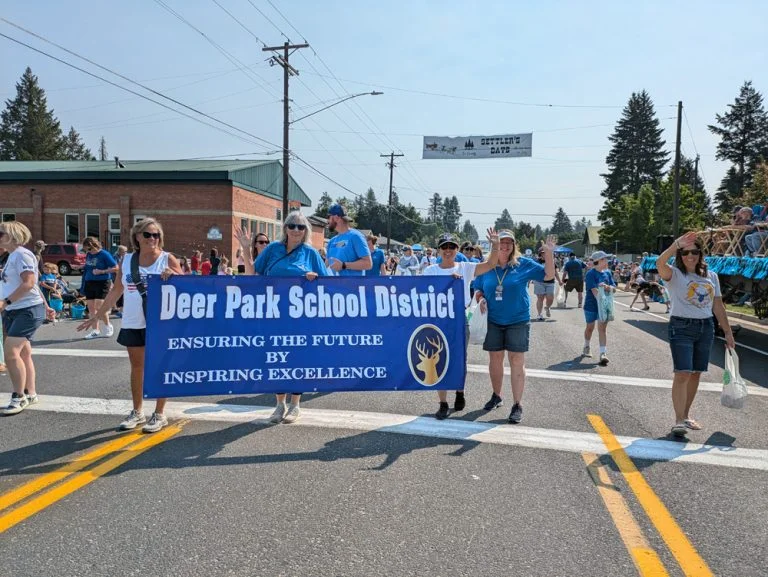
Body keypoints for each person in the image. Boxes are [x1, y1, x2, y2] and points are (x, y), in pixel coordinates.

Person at [78, 218, 182, 433]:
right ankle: (137, 411)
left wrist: (175, 276)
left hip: (161, 322)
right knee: (137, 367)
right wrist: (98, 315)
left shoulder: (167, 258)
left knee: (160, 366)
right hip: (133, 320)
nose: (152, 239)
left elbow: (189, 287)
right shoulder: (127, 260)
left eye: (156, 235)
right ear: (137, 236)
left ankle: (160, 413)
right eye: (148, 234)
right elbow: (117, 290)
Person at [236, 212, 328, 423]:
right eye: (292, 226)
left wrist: (315, 279)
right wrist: (245, 248)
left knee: (298, 358)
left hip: (300, 316)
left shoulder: (310, 253)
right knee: (276, 357)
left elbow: (328, 282)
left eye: (301, 227)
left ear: (306, 231)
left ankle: (295, 404)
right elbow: (253, 276)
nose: (296, 230)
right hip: (274, 314)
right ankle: (279, 404)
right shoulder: (272, 249)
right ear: (285, 228)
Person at [656, 232, 735, 436]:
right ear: (680, 255)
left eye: (695, 252)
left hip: (705, 327)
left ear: (701, 254)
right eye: (685, 252)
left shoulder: (712, 276)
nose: (690, 256)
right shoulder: (674, 274)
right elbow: (659, 262)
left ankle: (686, 415)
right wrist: (675, 245)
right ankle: (678, 420)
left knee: (695, 373)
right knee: (682, 372)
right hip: (681, 326)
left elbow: (718, 305)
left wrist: (727, 332)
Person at [474, 231, 557, 423]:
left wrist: (549, 254)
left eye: (508, 243)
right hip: (492, 319)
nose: (504, 246)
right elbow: (477, 286)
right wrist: (480, 297)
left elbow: (548, 275)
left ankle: (517, 404)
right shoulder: (486, 265)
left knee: (516, 360)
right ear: (495, 244)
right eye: (501, 243)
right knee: (495, 359)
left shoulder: (523, 264)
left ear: (514, 245)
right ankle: (497, 395)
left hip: (517, 320)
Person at [424, 231, 500, 420]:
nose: (448, 250)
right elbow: (420, 293)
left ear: (457, 249)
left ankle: (460, 391)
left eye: (451, 247)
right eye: (444, 247)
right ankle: (442, 402)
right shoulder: (430, 271)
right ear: (439, 250)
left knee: (459, 359)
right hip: (438, 320)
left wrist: (495, 245)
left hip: (459, 318)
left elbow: (491, 264)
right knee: (437, 360)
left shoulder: (465, 267)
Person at [0, 222, 55, 415]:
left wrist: (5, 302)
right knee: (23, 354)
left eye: (1, 233)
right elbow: (33, 284)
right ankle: (30, 393)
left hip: (26, 310)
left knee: (11, 353)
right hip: (16, 309)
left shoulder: (21, 254)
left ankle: (18, 396)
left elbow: (29, 282)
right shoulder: (12, 256)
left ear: (13, 236)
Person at [80, 237, 119, 340]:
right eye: (86, 250)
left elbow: (116, 268)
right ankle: (95, 330)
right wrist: (80, 267)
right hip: (89, 282)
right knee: (91, 308)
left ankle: (108, 326)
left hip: (102, 282)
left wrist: (102, 271)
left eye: (89, 249)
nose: (88, 252)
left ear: (93, 246)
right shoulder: (89, 254)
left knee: (99, 306)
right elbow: (89, 266)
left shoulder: (104, 254)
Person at [583, 251, 617, 366]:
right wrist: (602, 297)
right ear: (601, 260)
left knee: (602, 328)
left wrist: (608, 287)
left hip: (604, 306)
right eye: (605, 259)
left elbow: (614, 288)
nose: (607, 261)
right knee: (590, 327)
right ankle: (586, 346)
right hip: (591, 305)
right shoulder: (590, 274)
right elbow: (594, 292)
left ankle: (603, 354)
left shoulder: (608, 273)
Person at [325, 204, 372, 275]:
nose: (327, 221)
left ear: (336, 217)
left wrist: (344, 265)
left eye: (328, 217)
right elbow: (325, 266)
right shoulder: (332, 241)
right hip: (334, 285)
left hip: (353, 285)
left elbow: (368, 264)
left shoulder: (356, 236)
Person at [532, 248, 562, 320]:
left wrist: (559, 281)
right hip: (539, 282)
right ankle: (539, 314)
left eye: (546, 252)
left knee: (550, 298)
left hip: (550, 282)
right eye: (543, 253)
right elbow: (532, 272)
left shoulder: (551, 262)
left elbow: (555, 272)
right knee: (540, 298)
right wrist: (529, 280)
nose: (545, 254)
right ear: (540, 254)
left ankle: (547, 307)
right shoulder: (536, 262)